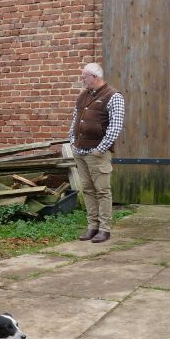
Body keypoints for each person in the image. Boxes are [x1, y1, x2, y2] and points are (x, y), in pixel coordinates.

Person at [69, 63, 125, 243]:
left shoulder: (113, 96)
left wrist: (100, 149)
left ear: (94, 77)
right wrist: (72, 141)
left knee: (102, 191)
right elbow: (75, 120)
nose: (82, 80)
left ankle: (104, 229)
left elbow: (115, 127)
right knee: (87, 190)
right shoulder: (83, 95)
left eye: (84, 77)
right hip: (80, 151)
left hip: (97, 154)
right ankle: (92, 227)